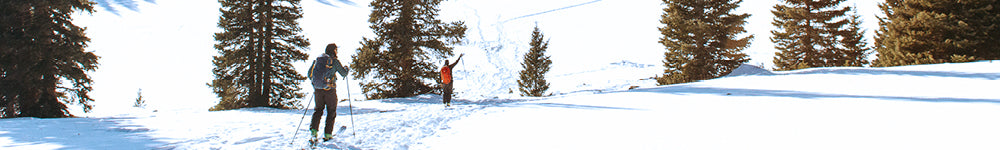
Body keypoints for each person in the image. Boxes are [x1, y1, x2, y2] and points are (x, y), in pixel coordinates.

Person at [307, 43, 348, 141]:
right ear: (334, 51)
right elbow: (343, 73)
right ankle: (328, 134)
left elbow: (310, 75)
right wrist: (347, 68)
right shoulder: (334, 61)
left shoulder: (318, 60)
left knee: (318, 110)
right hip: (330, 90)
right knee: (331, 111)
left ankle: (314, 132)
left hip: (318, 90)